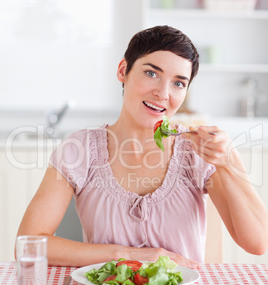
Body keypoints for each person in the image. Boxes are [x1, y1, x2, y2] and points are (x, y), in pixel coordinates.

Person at [16, 25, 268, 268]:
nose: (163, 93)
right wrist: (126, 255)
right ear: (123, 70)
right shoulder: (78, 149)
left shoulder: (199, 150)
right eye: (151, 73)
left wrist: (227, 162)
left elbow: (257, 243)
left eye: (178, 83)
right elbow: (26, 245)